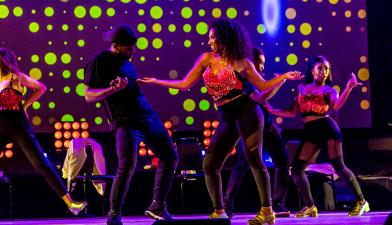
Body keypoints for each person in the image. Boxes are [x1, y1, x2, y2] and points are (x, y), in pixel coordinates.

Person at [137, 19, 302, 225]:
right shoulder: (206, 59)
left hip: (247, 111)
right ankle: (219, 211)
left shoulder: (242, 62)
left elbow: (262, 86)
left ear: (225, 37)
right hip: (226, 115)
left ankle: (267, 211)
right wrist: (157, 81)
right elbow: (185, 83)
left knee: (254, 159)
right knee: (210, 163)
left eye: (213, 36)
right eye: (209, 37)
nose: (210, 40)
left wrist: (283, 77)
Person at [84, 25, 178, 225]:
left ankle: (157, 205)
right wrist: (112, 89)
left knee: (169, 155)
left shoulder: (127, 62)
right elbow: (88, 95)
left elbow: (130, 89)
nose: (133, 51)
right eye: (129, 48)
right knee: (127, 166)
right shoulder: (99, 61)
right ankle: (114, 214)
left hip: (147, 115)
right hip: (124, 121)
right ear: (116, 46)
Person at [264, 55, 369, 217]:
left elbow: (336, 105)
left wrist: (348, 88)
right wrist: (272, 110)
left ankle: (362, 202)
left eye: (327, 69)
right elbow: (292, 112)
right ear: (312, 71)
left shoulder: (329, 90)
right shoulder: (301, 88)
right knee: (297, 169)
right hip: (310, 131)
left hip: (327, 128)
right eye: (320, 68)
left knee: (338, 166)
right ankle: (310, 206)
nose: (324, 72)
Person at [0, 48, 86, 215]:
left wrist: (25, 105)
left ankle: (71, 203)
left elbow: (41, 88)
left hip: (18, 124)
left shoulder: (15, 77)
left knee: (40, 163)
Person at [224, 47, 291, 218]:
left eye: (263, 63)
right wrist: (279, 81)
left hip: (267, 124)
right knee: (242, 164)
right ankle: (227, 205)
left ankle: (277, 203)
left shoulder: (257, 80)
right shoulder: (242, 81)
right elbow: (260, 97)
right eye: (258, 63)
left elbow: (264, 97)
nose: (261, 67)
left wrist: (278, 82)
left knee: (283, 162)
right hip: (250, 127)